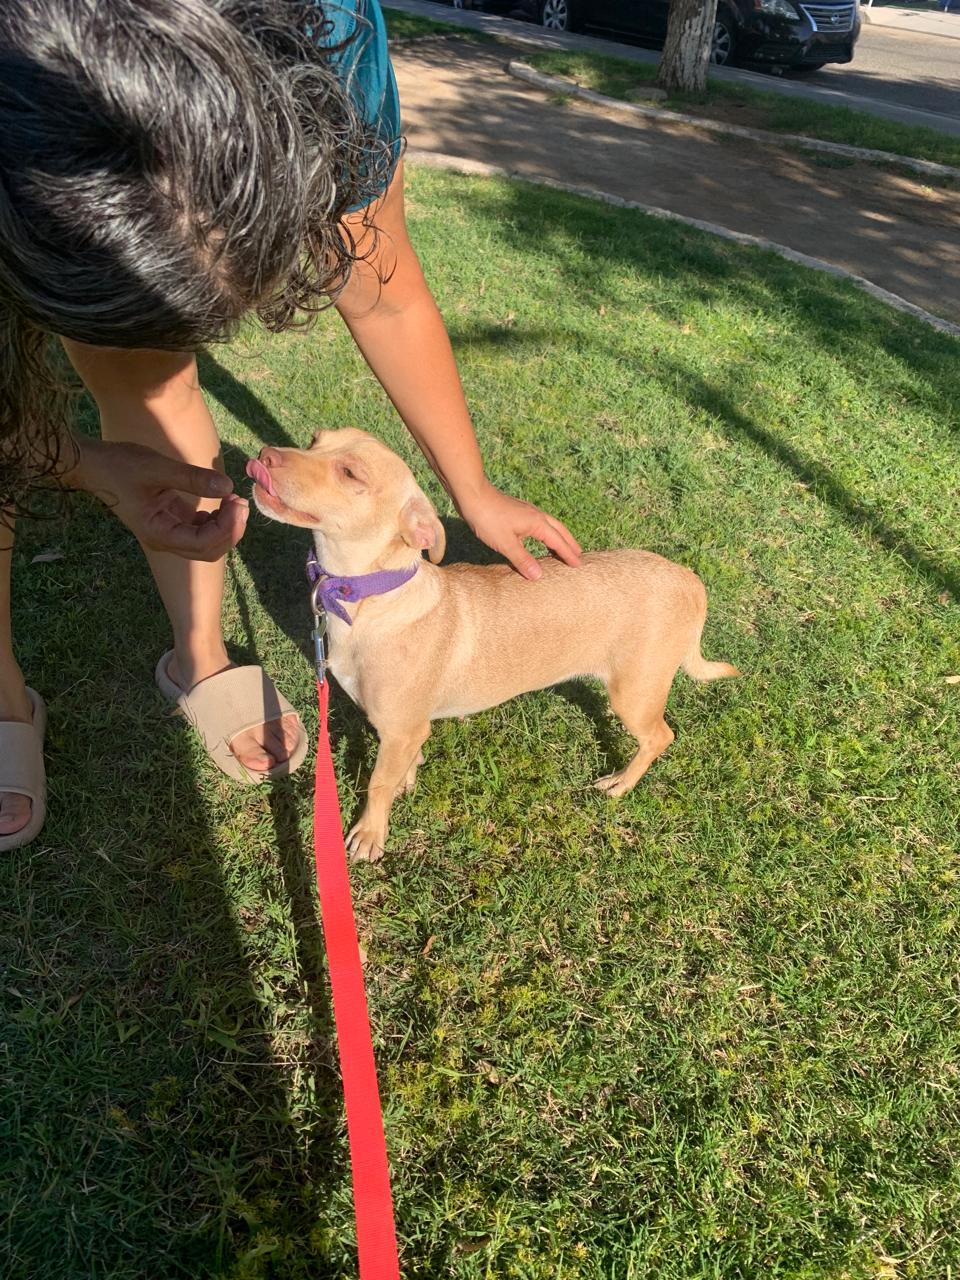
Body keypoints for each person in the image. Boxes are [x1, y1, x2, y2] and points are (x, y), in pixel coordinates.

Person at [0, 0, 581, 850]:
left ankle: (199, 654)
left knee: (149, 383)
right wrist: (83, 463)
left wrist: (473, 488)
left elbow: (383, 292)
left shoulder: (335, 43)